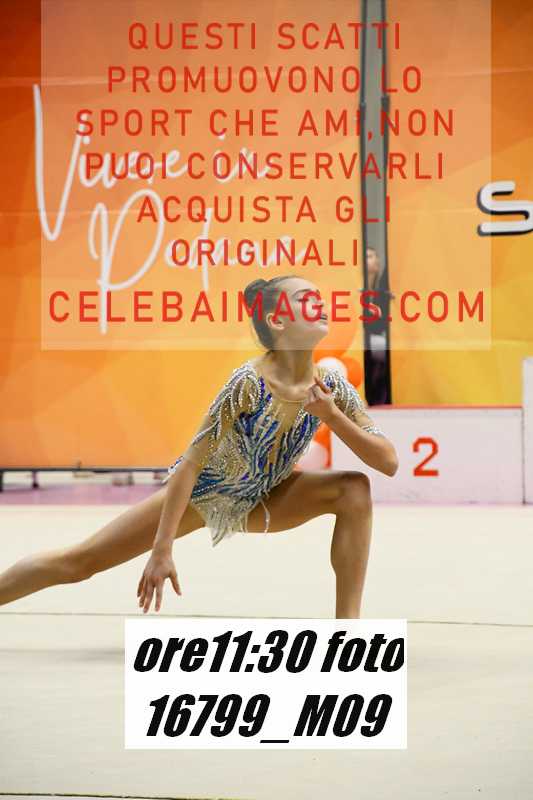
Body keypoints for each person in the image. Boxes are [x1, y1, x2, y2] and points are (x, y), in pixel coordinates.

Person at [0, 275, 398, 619]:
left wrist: (333, 417)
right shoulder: (248, 382)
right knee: (79, 563)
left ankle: (348, 629)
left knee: (354, 489)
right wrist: (161, 549)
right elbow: (189, 465)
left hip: (268, 497)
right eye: (304, 299)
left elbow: (389, 461)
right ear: (278, 321)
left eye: (319, 298)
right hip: (203, 496)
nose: (319, 304)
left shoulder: (331, 386)